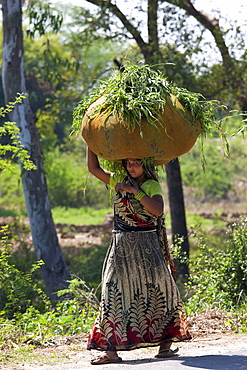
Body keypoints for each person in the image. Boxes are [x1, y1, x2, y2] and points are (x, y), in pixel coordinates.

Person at [86, 147, 191, 365]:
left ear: (145, 164)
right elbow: (93, 168)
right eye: (128, 163)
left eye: (136, 163)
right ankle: (111, 351)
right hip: (121, 245)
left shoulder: (150, 185)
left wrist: (136, 192)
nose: (131, 167)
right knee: (112, 291)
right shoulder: (118, 180)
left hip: (147, 245)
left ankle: (164, 346)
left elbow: (158, 210)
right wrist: (91, 143)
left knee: (160, 289)